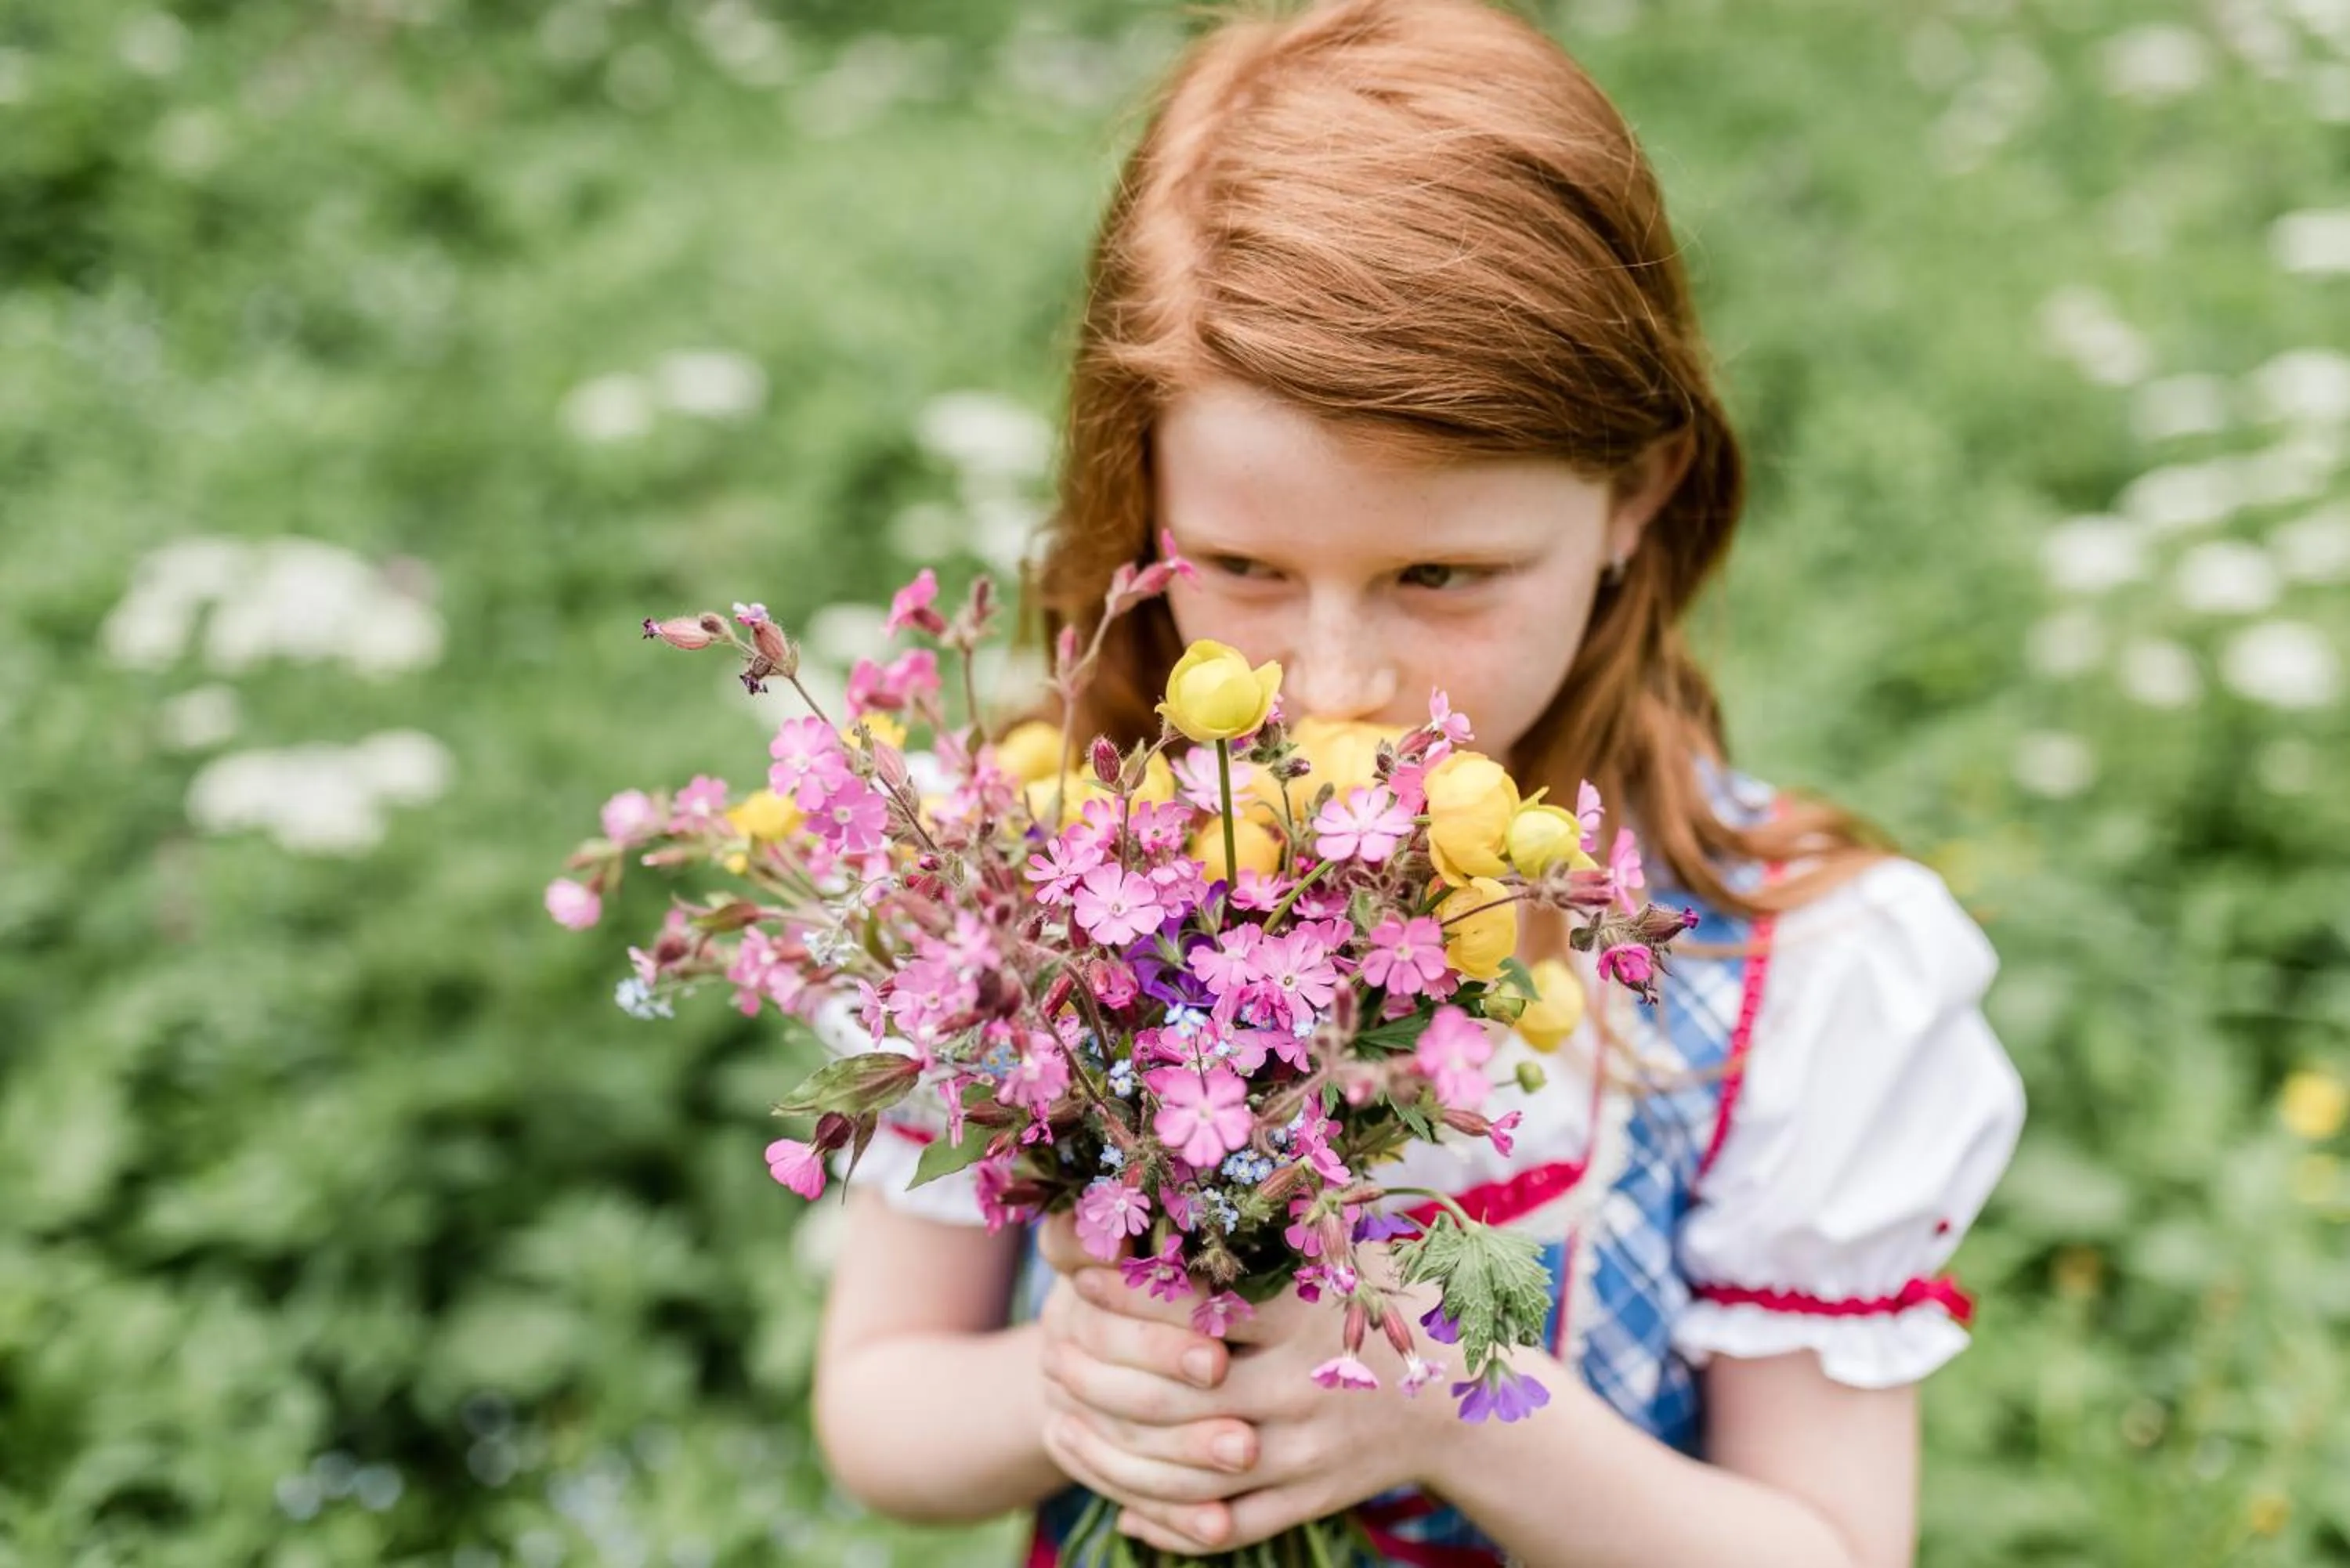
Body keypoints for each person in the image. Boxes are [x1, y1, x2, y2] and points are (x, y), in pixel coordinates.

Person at [810, 2, 2026, 1563]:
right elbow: (877, 1406)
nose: (1337, 678)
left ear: (1633, 496)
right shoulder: (1035, 887)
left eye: (1440, 571)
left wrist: (1450, 1405)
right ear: (1144, 504)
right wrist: (1068, 1386)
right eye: (1242, 564)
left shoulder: (1791, 970)